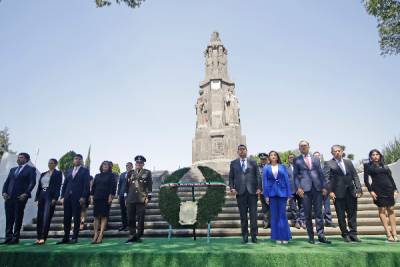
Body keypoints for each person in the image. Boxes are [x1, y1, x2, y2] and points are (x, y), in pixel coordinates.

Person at [293, 140, 331, 244]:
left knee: (319, 213)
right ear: (299, 148)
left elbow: (320, 173)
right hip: (305, 190)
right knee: (307, 214)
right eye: (301, 146)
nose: (303, 147)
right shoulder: (296, 160)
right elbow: (295, 175)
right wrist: (298, 188)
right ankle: (311, 237)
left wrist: (324, 187)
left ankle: (321, 236)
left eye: (305, 145)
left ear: (309, 147)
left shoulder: (316, 159)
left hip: (317, 188)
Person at [324, 145, 362, 242]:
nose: (337, 152)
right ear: (332, 153)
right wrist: (330, 192)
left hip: (351, 192)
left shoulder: (348, 162)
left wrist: (359, 189)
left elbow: (355, 175)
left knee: (352, 214)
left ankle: (353, 233)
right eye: (335, 151)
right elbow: (326, 179)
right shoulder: (328, 163)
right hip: (337, 193)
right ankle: (345, 234)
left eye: (339, 151)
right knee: (341, 215)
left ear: (342, 152)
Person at [229, 144, 262, 243]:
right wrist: (232, 188)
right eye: (240, 149)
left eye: (243, 149)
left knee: (253, 215)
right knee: (243, 216)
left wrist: (259, 188)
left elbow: (258, 176)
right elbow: (231, 177)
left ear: (246, 151)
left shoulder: (253, 162)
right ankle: (244, 235)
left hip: (252, 192)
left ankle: (254, 236)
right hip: (240, 192)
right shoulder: (233, 163)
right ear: (238, 152)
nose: (242, 151)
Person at [364, 149, 399, 242]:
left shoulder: (384, 165)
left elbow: (390, 178)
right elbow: (366, 181)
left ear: (380, 156)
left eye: (377, 154)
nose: (375, 156)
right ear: (370, 157)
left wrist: (395, 190)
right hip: (377, 190)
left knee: (391, 209)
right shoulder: (368, 166)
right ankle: (388, 233)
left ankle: (395, 233)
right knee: (382, 210)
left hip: (389, 189)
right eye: (373, 155)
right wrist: (371, 191)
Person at [1, 153, 36, 245]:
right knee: (9, 218)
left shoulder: (31, 169)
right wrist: (4, 192)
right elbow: (6, 182)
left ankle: (15, 238)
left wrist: (26, 193)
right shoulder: (13, 170)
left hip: (20, 198)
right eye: (18, 157)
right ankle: (8, 238)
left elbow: (32, 183)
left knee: (18, 218)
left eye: (21, 157)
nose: (19, 159)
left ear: (26, 159)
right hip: (8, 198)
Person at [57, 154, 90, 244]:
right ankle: (66, 237)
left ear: (81, 161)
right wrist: (62, 196)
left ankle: (75, 237)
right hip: (67, 197)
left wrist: (83, 197)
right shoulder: (69, 170)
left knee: (76, 218)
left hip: (78, 198)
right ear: (73, 160)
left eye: (79, 159)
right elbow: (65, 185)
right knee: (66, 218)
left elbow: (86, 185)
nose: (77, 160)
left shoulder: (85, 171)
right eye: (75, 159)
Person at [263, 151, 292, 244]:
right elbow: (265, 182)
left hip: (282, 193)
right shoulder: (266, 168)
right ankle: (276, 237)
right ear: (269, 158)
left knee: (282, 215)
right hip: (272, 194)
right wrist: (266, 196)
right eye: (271, 155)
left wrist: (289, 194)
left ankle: (285, 237)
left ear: (277, 157)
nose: (273, 156)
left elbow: (287, 180)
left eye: (275, 155)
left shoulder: (282, 166)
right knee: (274, 215)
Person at [125, 155, 152, 244]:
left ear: (143, 164)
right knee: (130, 218)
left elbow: (149, 185)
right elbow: (126, 186)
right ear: (135, 164)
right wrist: (126, 197)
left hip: (141, 198)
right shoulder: (130, 172)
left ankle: (139, 235)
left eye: (140, 163)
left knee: (141, 219)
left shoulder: (147, 172)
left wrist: (148, 197)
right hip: (131, 198)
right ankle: (132, 235)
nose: (138, 164)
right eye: (137, 163)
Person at [34, 158, 62, 245]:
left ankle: (43, 237)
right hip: (42, 194)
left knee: (46, 217)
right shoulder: (43, 174)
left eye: (52, 163)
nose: (50, 164)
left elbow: (58, 186)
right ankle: (38, 237)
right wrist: (37, 198)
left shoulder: (58, 173)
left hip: (50, 195)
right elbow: (39, 186)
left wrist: (55, 198)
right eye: (49, 163)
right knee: (40, 217)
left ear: (56, 164)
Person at [90, 161, 117, 244]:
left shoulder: (112, 175)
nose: (105, 166)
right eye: (103, 164)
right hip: (97, 197)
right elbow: (93, 187)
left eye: (107, 165)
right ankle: (95, 234)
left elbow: (113, 186)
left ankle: (101, 235)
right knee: (96, 217)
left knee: (104, 216)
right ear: (101, 166)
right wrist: (91, 196)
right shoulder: (97, 176)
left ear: (109, 167)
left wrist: (111, 196)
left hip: (106, 198)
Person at [313, 151, 336, 228]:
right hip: (315, 190)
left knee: (327, 206)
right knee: (318, 207)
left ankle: (329, 221)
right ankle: (319, 222)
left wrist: (326, 188)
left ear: (320, 156)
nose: (317, 157)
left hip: (326, 189)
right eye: (315, 156)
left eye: (318, 156)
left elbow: (328, 177)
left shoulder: (326, 164)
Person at [286, 153, 305, 229]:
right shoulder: (285, 168)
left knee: (302, 206)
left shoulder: (300, 168)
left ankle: (302, 221)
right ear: (288, 159)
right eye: (290, 157)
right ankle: (296, 221)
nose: (292, 158)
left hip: (300, 190)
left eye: (293, 157)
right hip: (291, 191)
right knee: (293, 207)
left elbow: (304, 178)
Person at [117, 162, 133, 231]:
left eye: (129, 166)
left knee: (129, 211)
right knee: (123, 211)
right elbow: (119, 185)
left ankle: (129, 226)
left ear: (132, 167)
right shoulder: (122, 174)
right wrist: (118, 194)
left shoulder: (134, 174)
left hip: (130, 195)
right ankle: (124, 225)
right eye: (127, 165)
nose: (128, 167)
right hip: (121, 195)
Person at [257, 153, 270, 229]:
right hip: (262, 191)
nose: (263, 160)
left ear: (267, 159)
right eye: (262, 159)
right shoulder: (257, 167)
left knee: (272, 208)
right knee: (265, 208)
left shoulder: (270, 166)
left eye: (264, 159)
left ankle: (272, 223)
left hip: (271, 191)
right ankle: (266, 223)